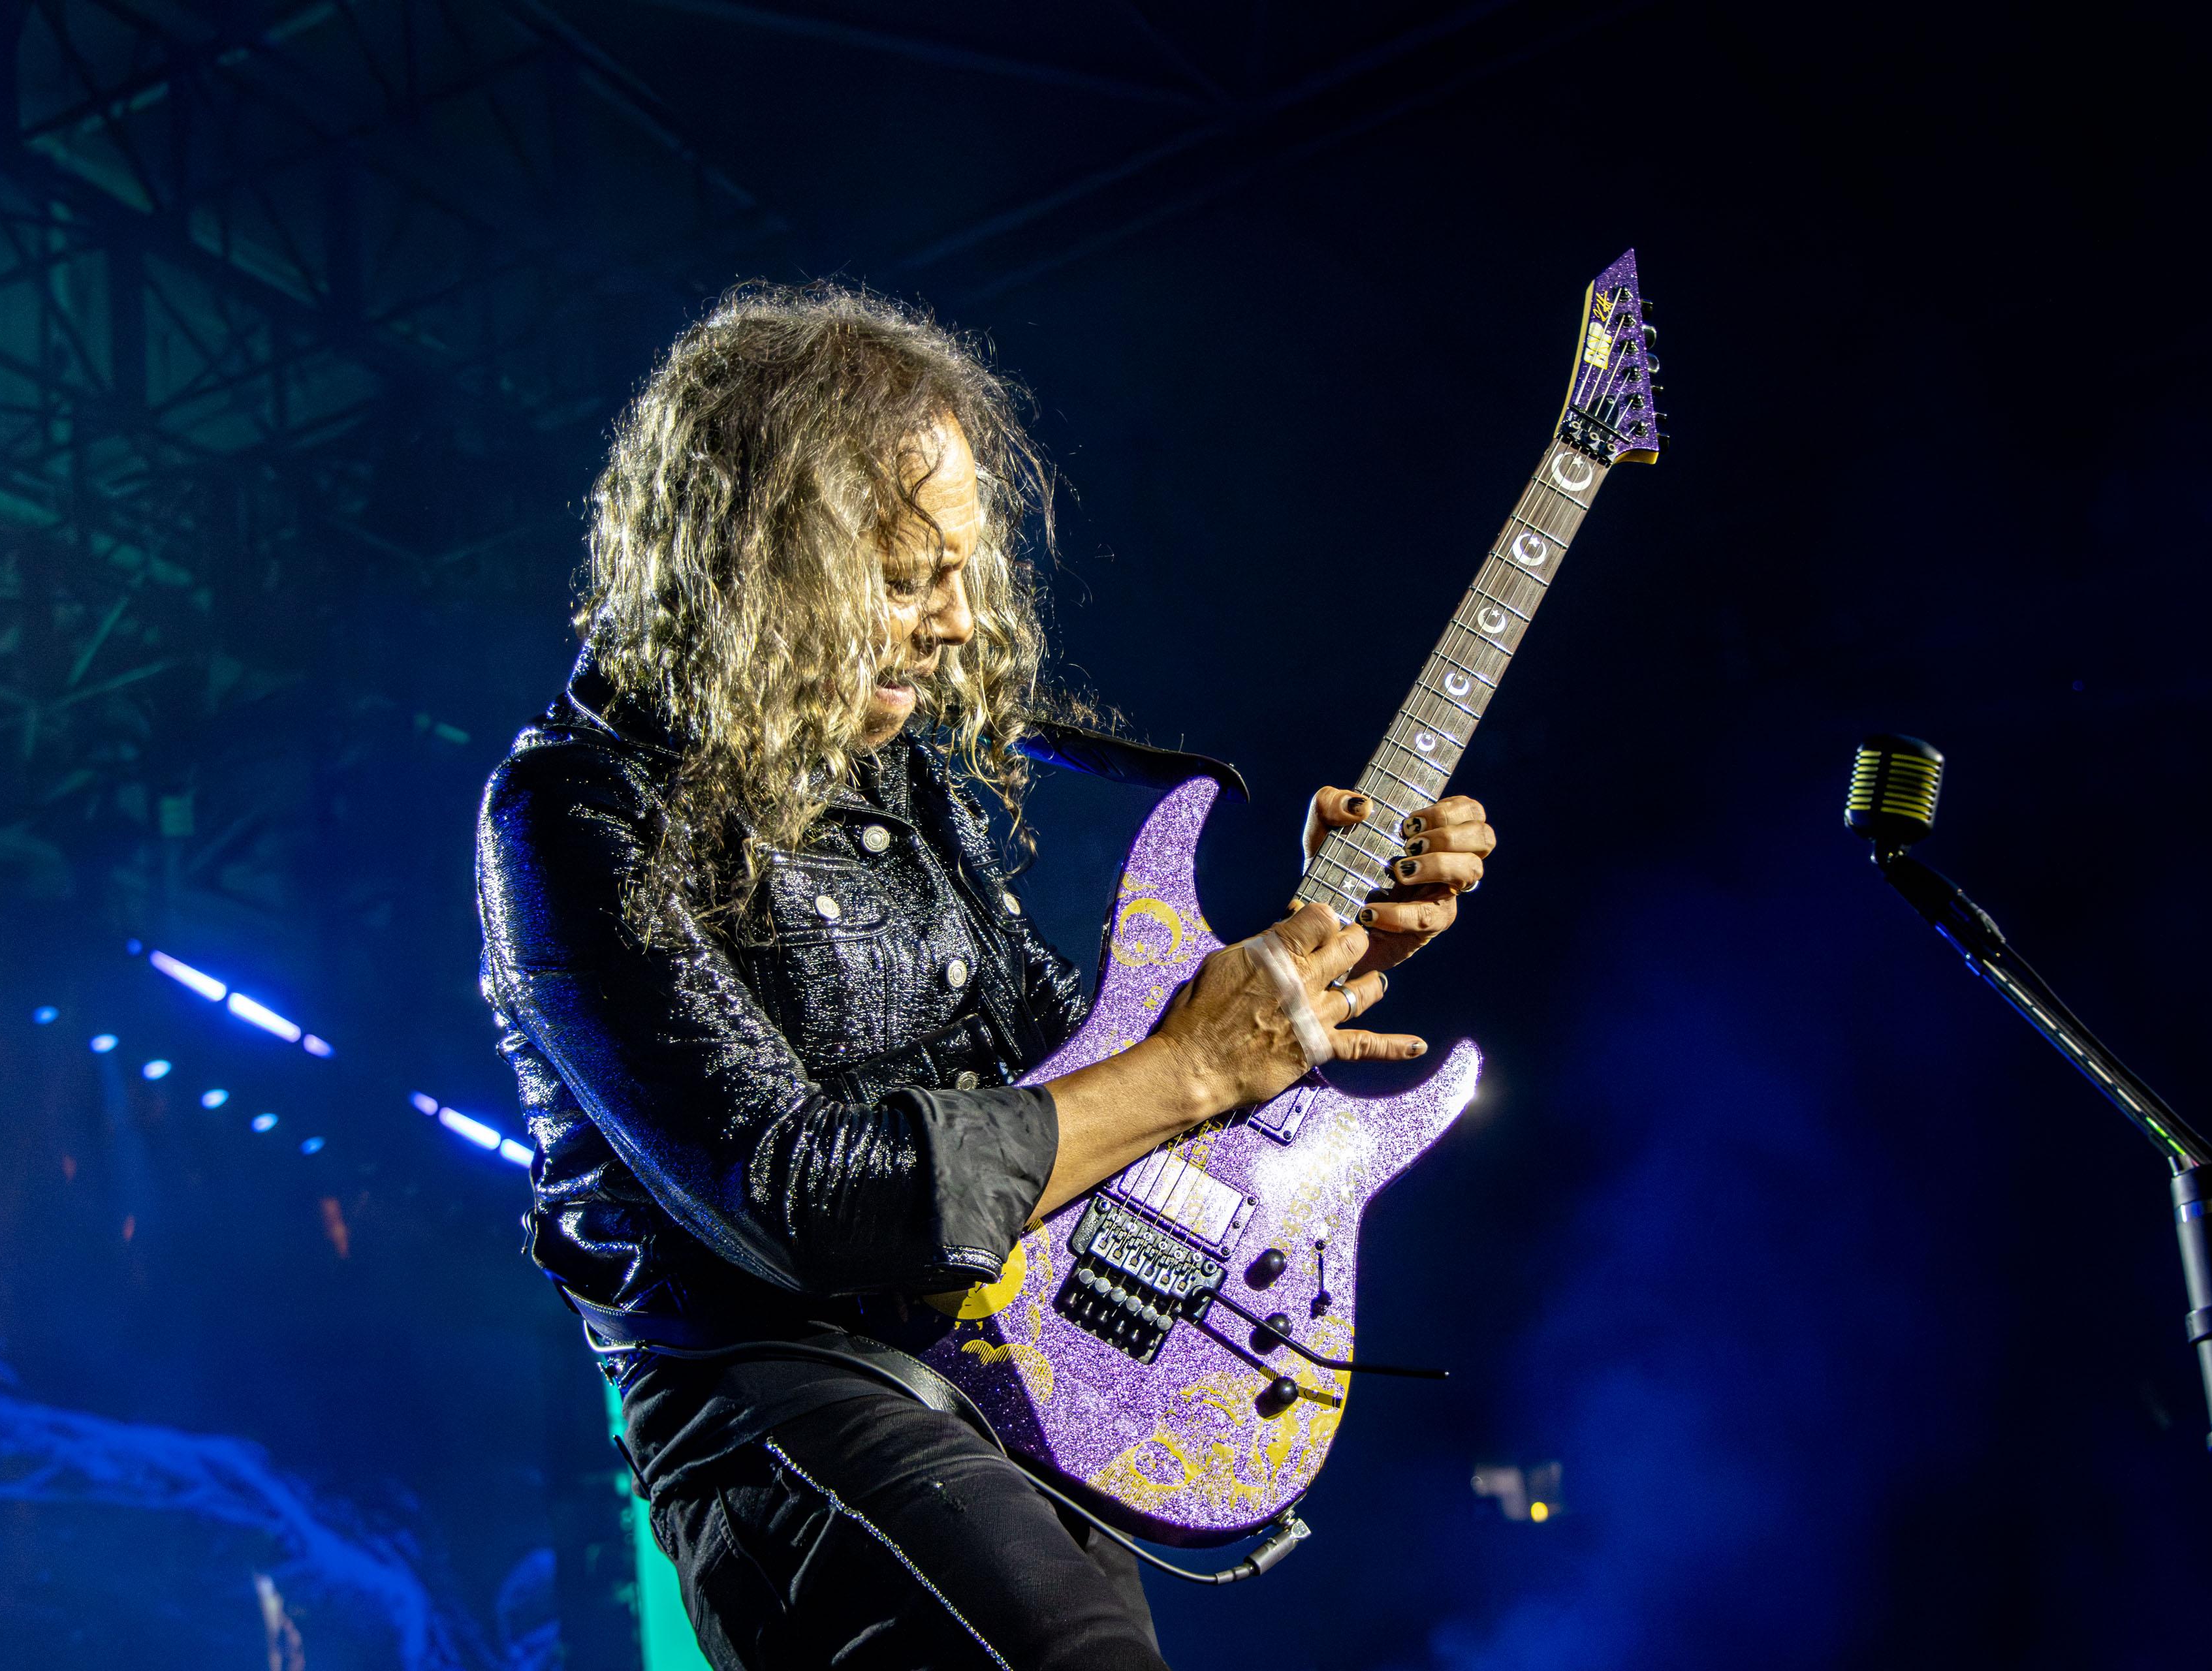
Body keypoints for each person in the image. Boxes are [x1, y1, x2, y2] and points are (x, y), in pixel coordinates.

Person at [475, 285, 1497, 1670]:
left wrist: (1306, 964)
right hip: (782, 1399)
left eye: (961, 569)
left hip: (1006, 1365)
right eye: (908, 578)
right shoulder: (573, 810)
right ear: (759, 565)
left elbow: (1080, 1070)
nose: (958, 621)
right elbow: (797, 1194)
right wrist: (1194, 1059)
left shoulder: (890, 773)